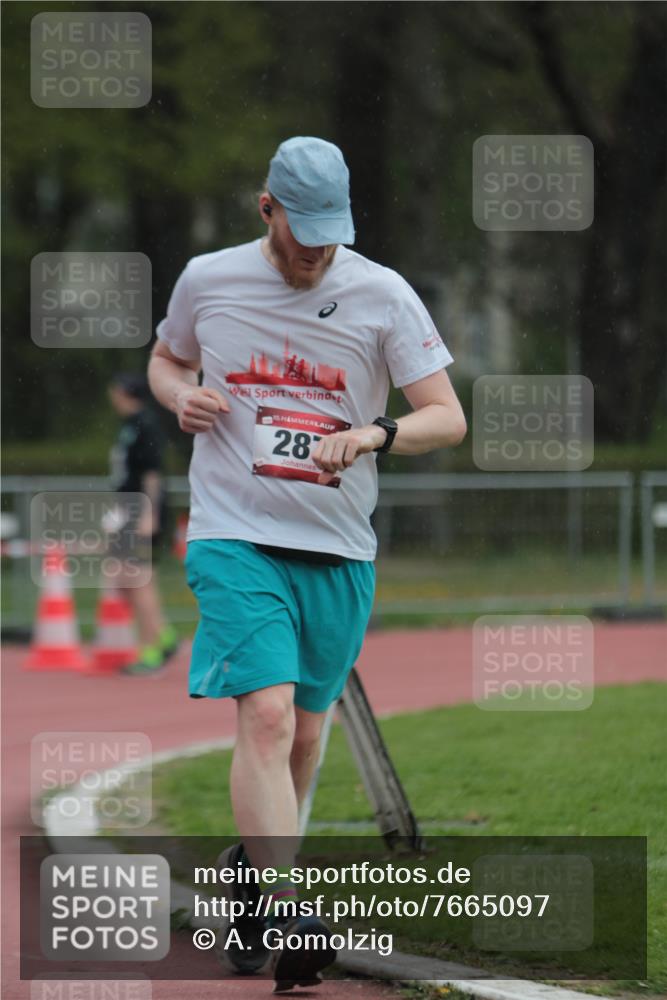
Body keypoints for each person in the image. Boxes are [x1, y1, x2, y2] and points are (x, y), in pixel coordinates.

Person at [148, 136, 466, 989]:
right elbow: (167, 358)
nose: (315, 252)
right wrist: (181, 395)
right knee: (266, 716)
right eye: (302, 234)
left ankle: (252, 882)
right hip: (234, 534)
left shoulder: (381, 293)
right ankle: (289, 906)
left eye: (331, 236)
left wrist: (372, 434)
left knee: (305, 735)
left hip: (337, 546)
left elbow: (446, 416)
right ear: (267, 209)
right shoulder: (208, 278)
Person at [107, 373, 179, 675]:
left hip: (142, 511)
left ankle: (151, 647)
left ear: (125, 392)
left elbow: (152, 472)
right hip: (128, 510)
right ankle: (163, 635)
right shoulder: (128, 426)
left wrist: (149, 514)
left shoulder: (145, 424)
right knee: (122, 578)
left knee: (138, 579)